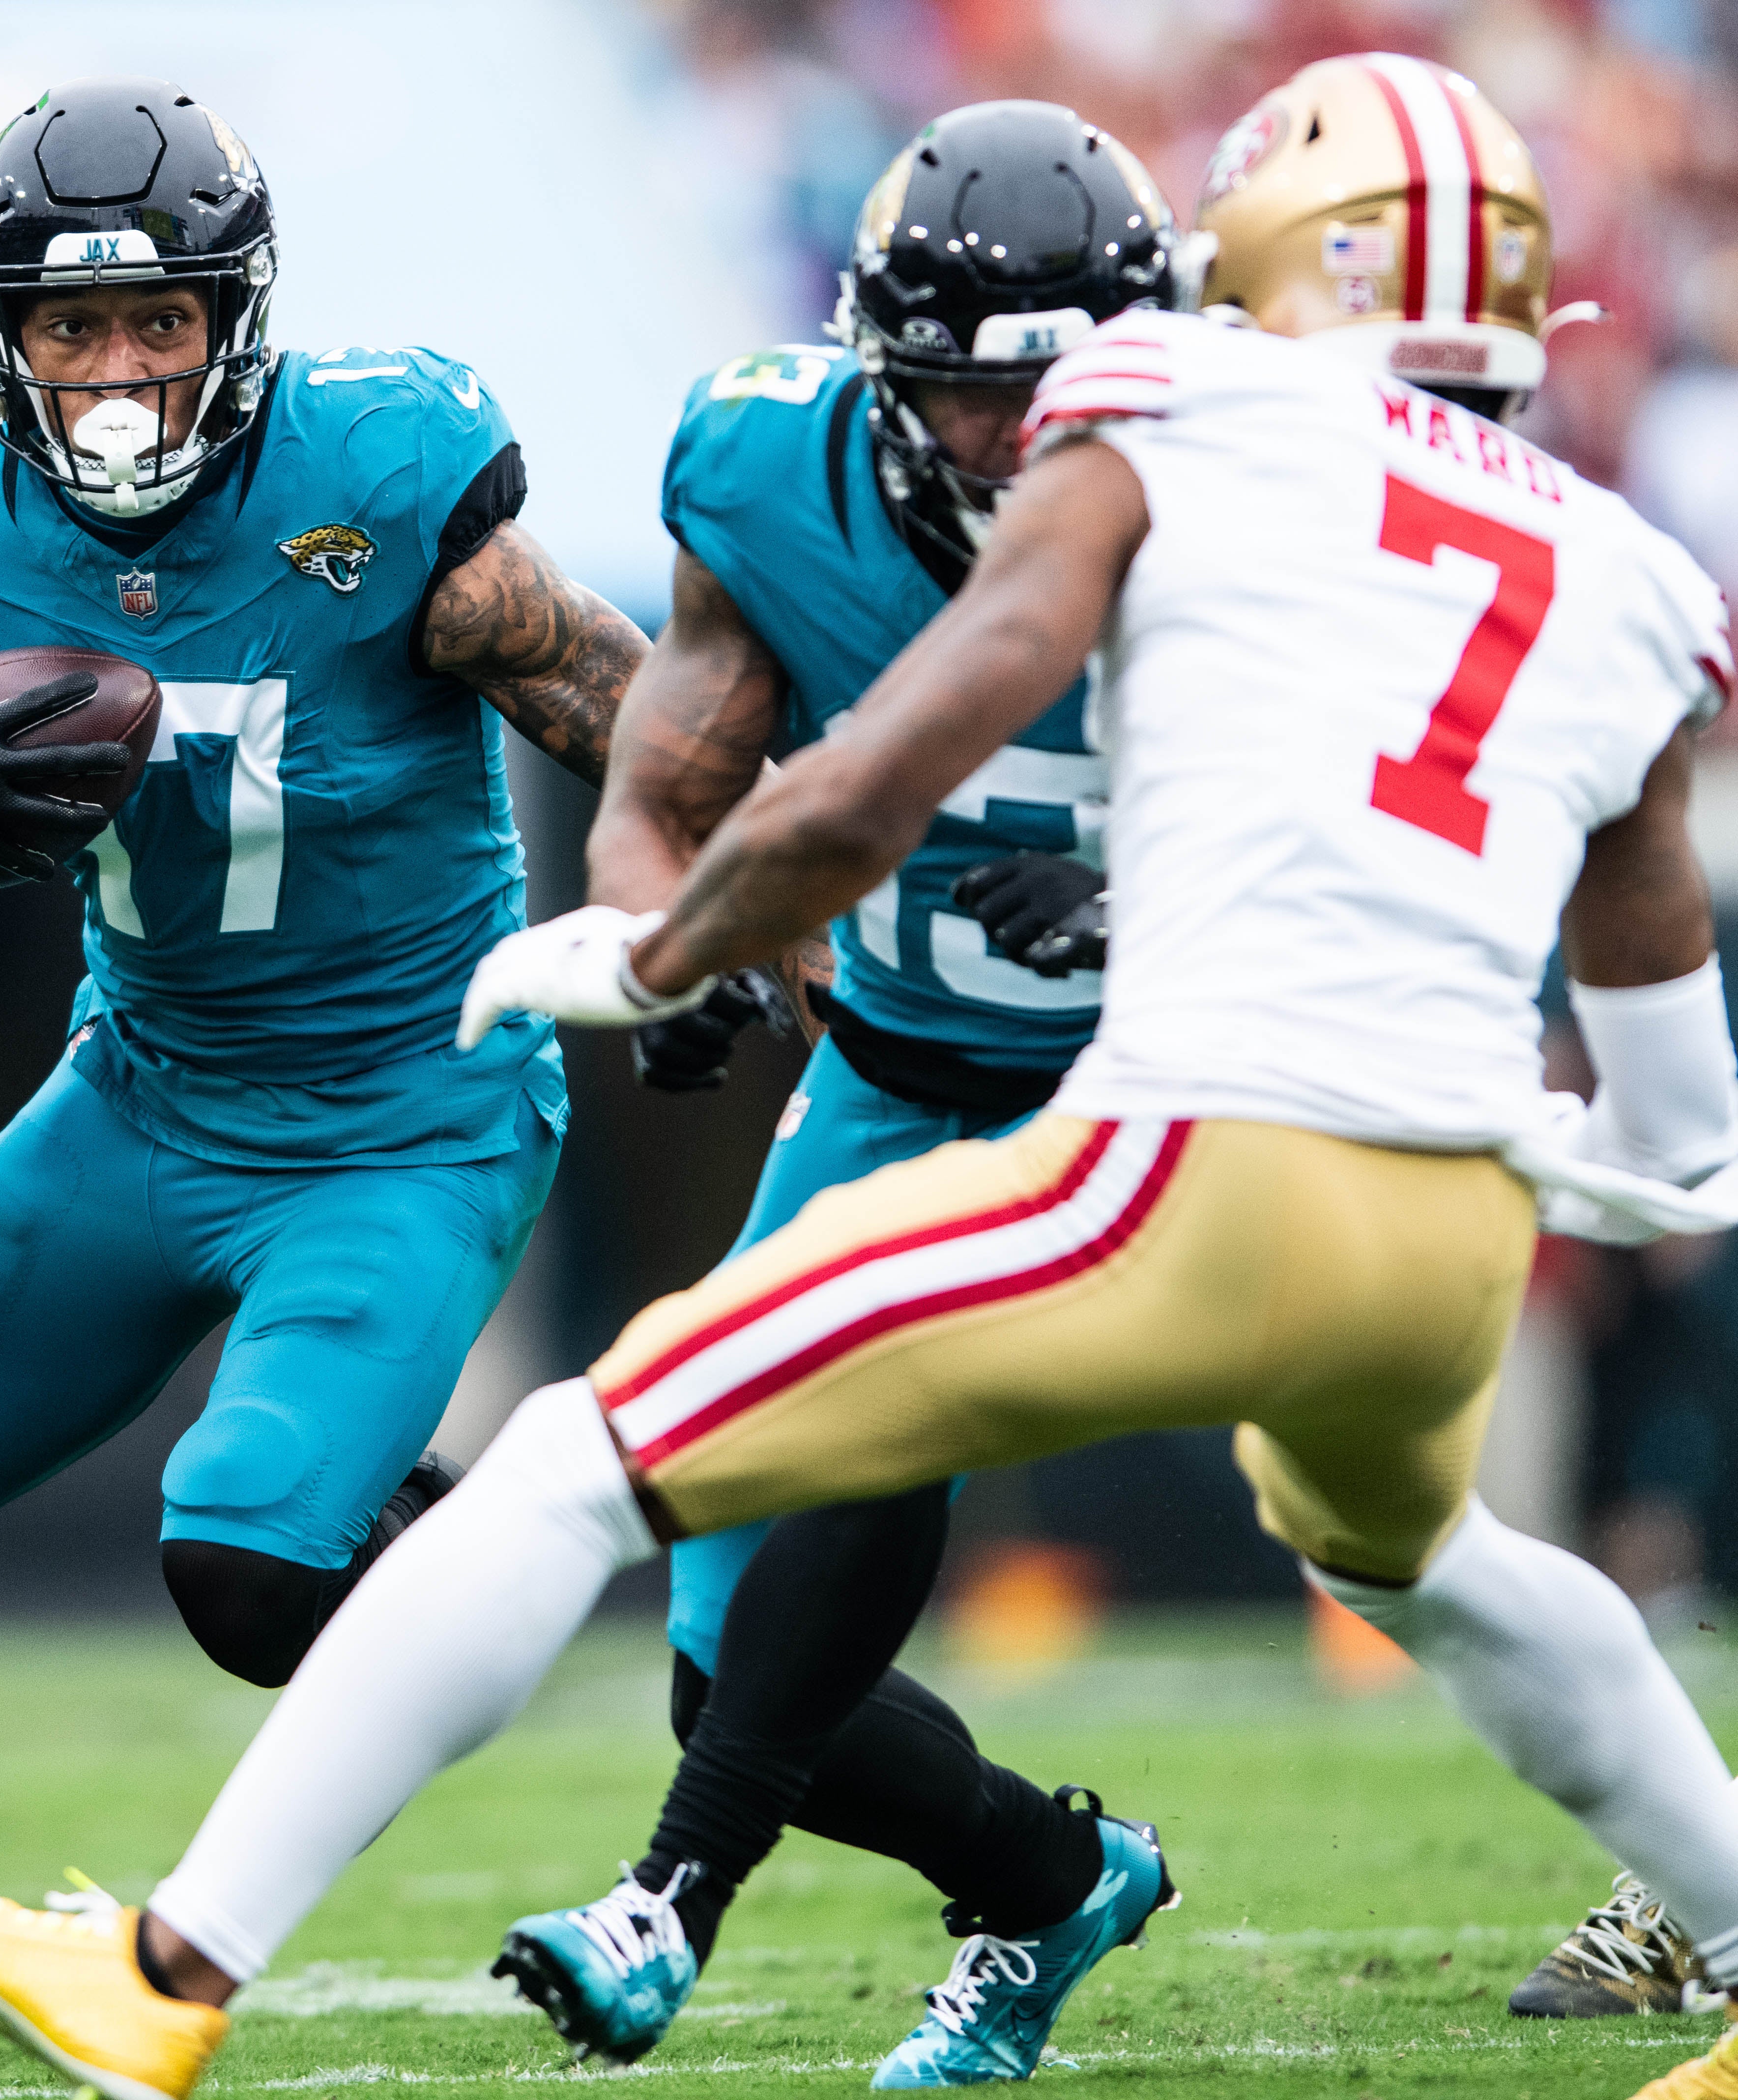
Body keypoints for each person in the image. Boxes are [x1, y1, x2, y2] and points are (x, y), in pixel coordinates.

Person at [0, 57, 1738, 2100]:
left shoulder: (1176, 435)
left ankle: (177, 1967)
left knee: (581, 1463)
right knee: (1414, 1561)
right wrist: (1569, 1158)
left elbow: (872, 786)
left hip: (1175, 1149)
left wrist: (656, 948)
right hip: (1427, 1201)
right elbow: (1677, 1120)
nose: (1016, 425)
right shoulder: (1624, 571)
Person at [0, 77, 650, 2068]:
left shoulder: (386, 470)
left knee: (252, 1577)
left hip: (404, 1115)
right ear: (0, 338)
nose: (113, 371)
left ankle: (535, 1536)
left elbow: (621, 699)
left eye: (157, 321)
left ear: (233, 323)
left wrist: (760, 904)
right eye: (70, 328)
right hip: (146, 1090)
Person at [489, 102, 1183, 2084]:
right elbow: (662, 794)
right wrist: (667, 956)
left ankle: (664, 1906)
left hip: (1168, 1105)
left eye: (1055, 386)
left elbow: (1379, 811)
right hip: (893, 1082)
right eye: (967, 390)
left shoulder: (1245, 487)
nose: (1010, 439)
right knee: (731, 1669)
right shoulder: (770, 471)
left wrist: (1156, 902)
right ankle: (1051, 1880)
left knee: (1408, 1544)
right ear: (880, 361)